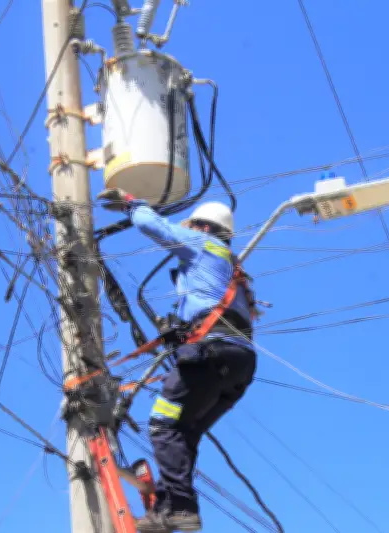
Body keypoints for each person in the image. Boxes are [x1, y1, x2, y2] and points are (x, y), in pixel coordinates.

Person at [97, 188, 258, 532]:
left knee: (164, 424)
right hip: (239, 365)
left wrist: (133, 203)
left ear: (201, 227)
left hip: (210, 356)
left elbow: (158, 228)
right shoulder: (233, 267)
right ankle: (170, 508)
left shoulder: (204, 244)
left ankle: (181, 508)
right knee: (184, 432)